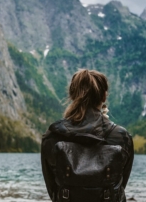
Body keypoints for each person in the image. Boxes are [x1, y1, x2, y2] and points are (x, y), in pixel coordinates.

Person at [41, 69, 134, 202]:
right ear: (104, 96)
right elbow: (120, 184)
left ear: (72, 95)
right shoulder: (121, 137)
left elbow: (52, 189)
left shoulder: (52, 135)